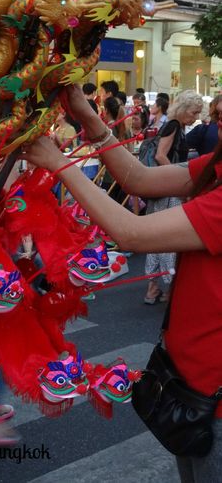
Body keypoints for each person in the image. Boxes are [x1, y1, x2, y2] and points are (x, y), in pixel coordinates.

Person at [23, 84, 222, 483]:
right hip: (189, 379)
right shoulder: (217, 167)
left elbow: (131, 233)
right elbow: (141, 179)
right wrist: (87, 114)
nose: (217, 124)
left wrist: (59, 163)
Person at [143, 90, 203, 304]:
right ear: (185, 109)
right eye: (194, 112)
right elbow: (161, 155)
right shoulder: (174, 125)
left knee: (157, 237)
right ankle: (167, 288)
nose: (195, 117)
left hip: (161, 189)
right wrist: (177, 179)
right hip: (168, 190)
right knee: (169, 237)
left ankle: (153, 289)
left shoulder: (172, 124)